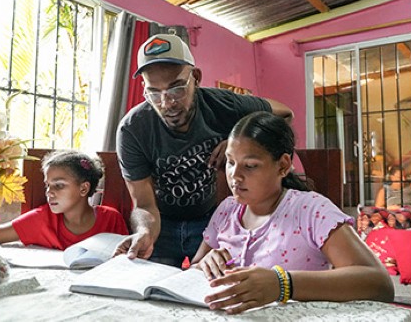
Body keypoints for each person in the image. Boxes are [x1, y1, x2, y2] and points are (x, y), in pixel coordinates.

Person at [114, 33, 294, 267]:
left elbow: (285, 113)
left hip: (213, 220)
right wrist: (143, 233)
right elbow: (144, 205)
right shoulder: (132, 129)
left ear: (196, 78)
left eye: (176, 88)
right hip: (161, 224)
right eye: (154, 93)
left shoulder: (224, 105)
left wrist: (236, 140)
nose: (166, 103)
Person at [190, 112, 393, 314]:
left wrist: (282, 284)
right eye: (230, 162)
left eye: (250, 166)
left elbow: (379, 283)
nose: (235, 175)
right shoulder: (227, 210)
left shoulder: (311, 211)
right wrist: (205, 264)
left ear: (283, 165)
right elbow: (194, 267)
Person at [0, 150, 128, 250]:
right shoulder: (41, 219)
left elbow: (126, 257)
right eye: (47, 186)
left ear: (84, 188)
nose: (49, 192)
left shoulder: (111, 219)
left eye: (59, 185)